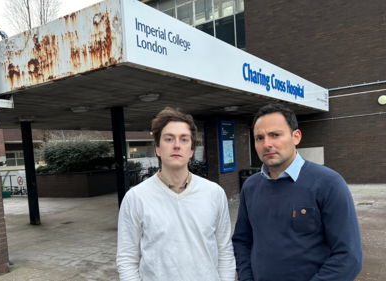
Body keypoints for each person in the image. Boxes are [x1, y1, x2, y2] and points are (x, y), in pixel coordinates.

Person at [232, 103, 363, 281]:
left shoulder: (328, 184)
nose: (267, 144)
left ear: (296, 136)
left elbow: (349, 257)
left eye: (275, 135)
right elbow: (242, 241)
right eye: (259, 138)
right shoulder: (251, 186)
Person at [116, 107, 236, 281]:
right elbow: (127, 259)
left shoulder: (214, 193)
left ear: (192, 150)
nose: (177, 145)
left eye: (184, 139)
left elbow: (224, 250)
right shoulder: (136, 197)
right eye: (169, 139)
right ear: (157, 148)